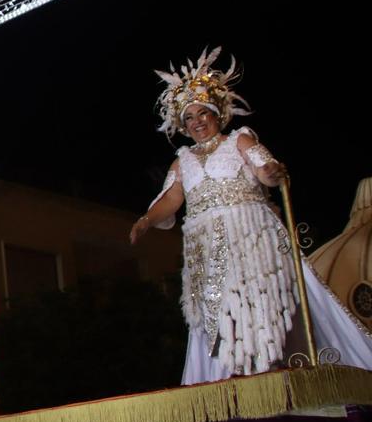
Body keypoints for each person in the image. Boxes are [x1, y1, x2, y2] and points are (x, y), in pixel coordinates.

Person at [130, 48, 372, 384]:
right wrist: (146, 220)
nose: (198, 121)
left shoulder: (240, 139)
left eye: (203, 113)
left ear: (217, 114)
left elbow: (263, 169)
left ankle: (266, 366)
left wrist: (271, 174)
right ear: (183, 125)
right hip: (207, 245)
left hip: (249, 234)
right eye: (190, 117)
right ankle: (228, 373)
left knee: (255, 297)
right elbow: (172, 198)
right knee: (216, 308)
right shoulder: (181, 161)